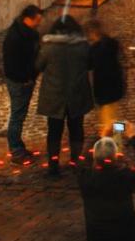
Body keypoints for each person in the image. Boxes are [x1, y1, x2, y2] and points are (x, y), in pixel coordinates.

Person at [37, 14, 93, 177]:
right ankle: (75, 161)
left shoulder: (48, 47)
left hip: (54, 96)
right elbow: (90, 64)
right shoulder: (83, 46)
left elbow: (39, 65)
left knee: (54, 132)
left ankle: (53, 166)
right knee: (76, 130)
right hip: (77, 95)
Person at [3, 5, 44, 161]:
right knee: (17, 116)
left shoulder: (26, 33)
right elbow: (14, 62)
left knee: (19, 115)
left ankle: (18, 145)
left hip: (24, 80)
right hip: (19, 81)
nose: (39, 23)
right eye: (37, 20)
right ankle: (16, 150)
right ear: (28, 18)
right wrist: (26, 78)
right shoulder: (17, 37)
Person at [85, 20, 126, 138]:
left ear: (93, 33)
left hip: (104, 89)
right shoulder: (113, 43)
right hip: (116, 86)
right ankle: (119, 139)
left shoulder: (95, 49)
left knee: (108, 120)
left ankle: (113, 143)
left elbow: (89, 65)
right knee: (116, 117)